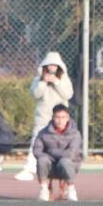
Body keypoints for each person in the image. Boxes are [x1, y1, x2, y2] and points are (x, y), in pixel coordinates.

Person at [15, 51, 73, 181]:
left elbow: (68, 95)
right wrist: (43, 82)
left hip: (59, 119)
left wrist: (56, 82)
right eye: (49, 65)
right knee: (36, 142)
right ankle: (29, 169)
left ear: (59, 66)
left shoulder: (64, 79)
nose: (52, 67)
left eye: (55, 65)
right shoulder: (38, 79)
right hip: (42, 117)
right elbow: (35, 94)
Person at [33, 103, 82, 202]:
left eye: (63, 117)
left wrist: (51, 152)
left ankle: (71, 190)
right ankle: (44, 190)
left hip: (68, 166)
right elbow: (37, 151)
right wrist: (50, 157)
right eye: (57, 117)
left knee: (65, 161)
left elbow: (71, 154)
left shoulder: (75, 134)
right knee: (42, 160)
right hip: (49, 166)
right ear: (53, 118)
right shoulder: (43, 133)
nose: (60, 120)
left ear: (67, 118)